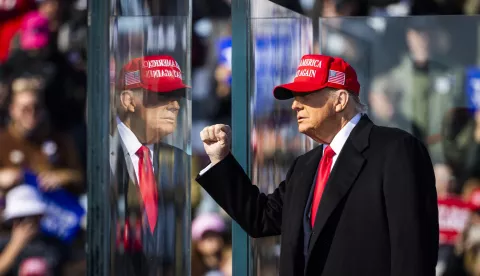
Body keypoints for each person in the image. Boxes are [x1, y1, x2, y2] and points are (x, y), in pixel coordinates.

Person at [196, 54, 439, 276]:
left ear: (340, 100)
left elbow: (413, 248)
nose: (295, 105)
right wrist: (220, 159)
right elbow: (261, 219)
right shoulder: (305, 166)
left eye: (306, 95)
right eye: (295, 97)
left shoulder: (395, 149)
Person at [110, 55, 190, 276]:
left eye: (177, 97)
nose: (174, 106)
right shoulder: (99, 152)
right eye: (161, 95)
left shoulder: (180, 160)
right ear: (128, 101)